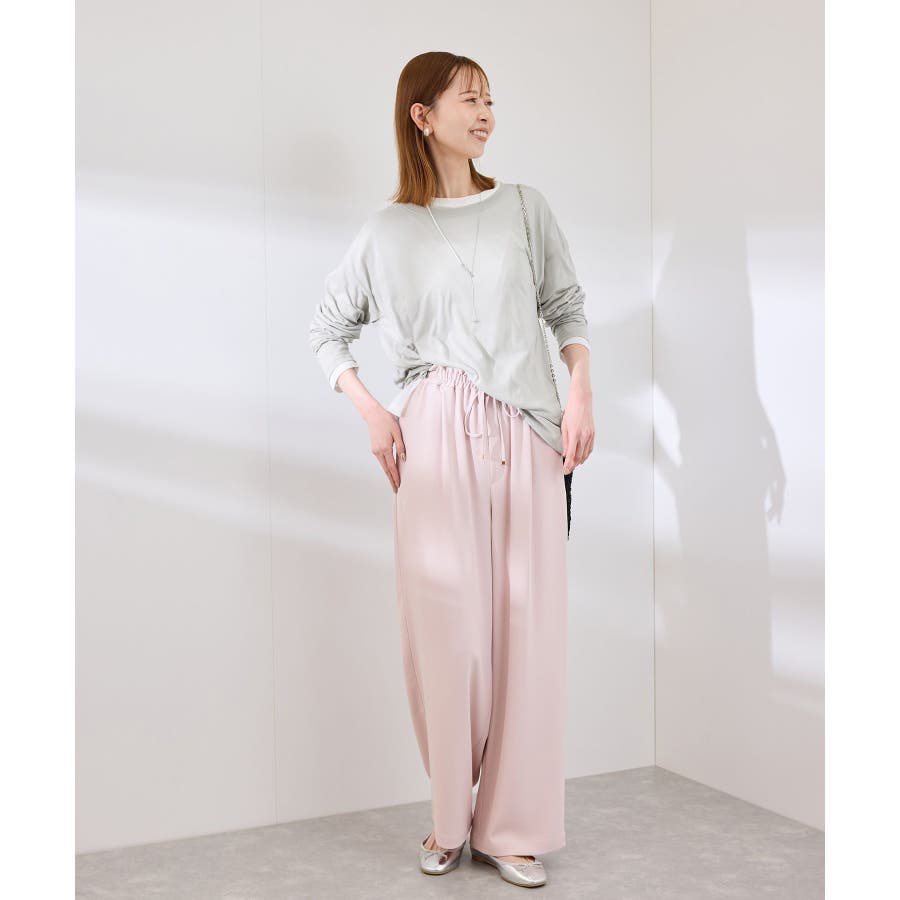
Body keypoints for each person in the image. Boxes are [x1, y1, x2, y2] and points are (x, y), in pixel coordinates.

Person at [308, 52, 594, 889]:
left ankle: (512, 828)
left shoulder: (524, 208)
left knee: (526, 629)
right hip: (433, 434)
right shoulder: (386, 231)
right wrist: (374, 412)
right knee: (447, 633)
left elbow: (566, 307)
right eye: (470, 99)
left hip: (530, 431)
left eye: (490, 99)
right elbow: (327, 329)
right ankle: (448, 817)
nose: (486, 113)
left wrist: (580, 394)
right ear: (422, 116)